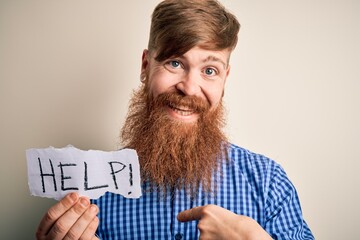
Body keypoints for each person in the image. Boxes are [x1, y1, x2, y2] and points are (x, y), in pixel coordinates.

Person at [36, 0, 314, 239]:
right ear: (146, 66)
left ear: (225, 79)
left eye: (209, 70)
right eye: (175, 63)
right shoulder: (90, 194)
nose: (189, 87)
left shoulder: (268, 183)